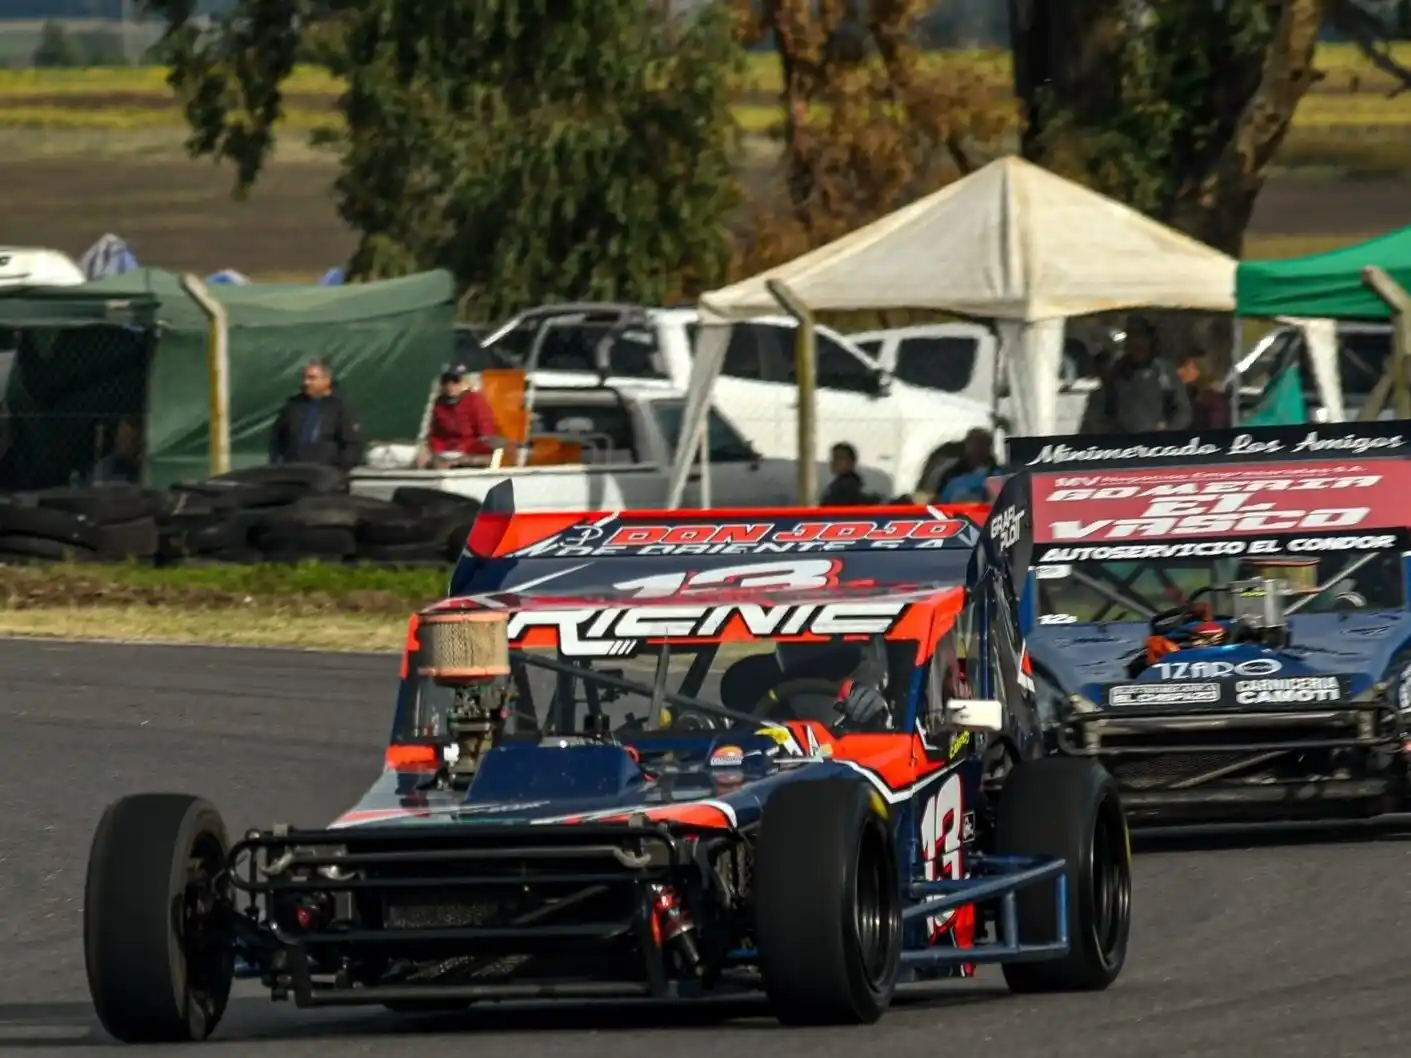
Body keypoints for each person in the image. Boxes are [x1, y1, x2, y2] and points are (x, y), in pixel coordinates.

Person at [269, 358, 364, 470]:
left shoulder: (342, 406)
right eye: (304, 378)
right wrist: (277, 462)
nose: (306, 382)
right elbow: (277, 435)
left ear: (326, 380)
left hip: (325, 474)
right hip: (293, 471)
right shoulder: (294, 404)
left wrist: (339, 471)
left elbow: (352, 444)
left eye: (312, 378)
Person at [1105, 321, 1192, 433]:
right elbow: (1108, 411)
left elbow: (1183, 411)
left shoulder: (1164, 370)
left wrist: (1169, 429)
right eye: (1132, 338)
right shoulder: (1118, 371)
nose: (1136, 343)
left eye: (1140, 337)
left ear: (1149, 341)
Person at [418, 364, 501, 468]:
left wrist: (466, 452)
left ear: (464, 383)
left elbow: (486, 435)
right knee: (425, 458)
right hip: (445, 453)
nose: (450, 385)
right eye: (446, 381)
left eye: (455, 381)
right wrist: (436, 450)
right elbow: (435, 434)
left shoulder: (476, 401)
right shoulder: (439, 403)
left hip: (471, 453)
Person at [935, 427, 998, 503]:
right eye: (975, 443)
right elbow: (939, 502)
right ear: (967, 445)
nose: (978, 448)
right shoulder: (952, 474)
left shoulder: (999, 474)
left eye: (983, 444)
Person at [1179, 357, 1231, 431]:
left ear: (1199, 372)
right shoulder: (1187, 393)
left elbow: (1217, 425)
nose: (1181, 371)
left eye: (1188, 368)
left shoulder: (1213, 399)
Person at [92, 417, 143, 485]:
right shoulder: (106, 466)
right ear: (116, 439)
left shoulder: (144, 466)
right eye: (122, 439)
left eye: (132, 441)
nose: (126, 444)